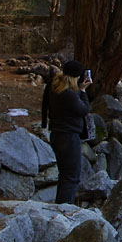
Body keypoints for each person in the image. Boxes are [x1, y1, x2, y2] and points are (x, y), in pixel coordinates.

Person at [41, 60, 91, 204]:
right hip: (69, 137)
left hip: (56, 135)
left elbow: (45, 106)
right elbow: (84, 110)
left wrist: (45, 123)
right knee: (72, 177)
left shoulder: (53, 87)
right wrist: (83, 91)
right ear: (76, 77)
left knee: (64, 175)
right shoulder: (69, 94)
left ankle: (60, 207)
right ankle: (65, 209)